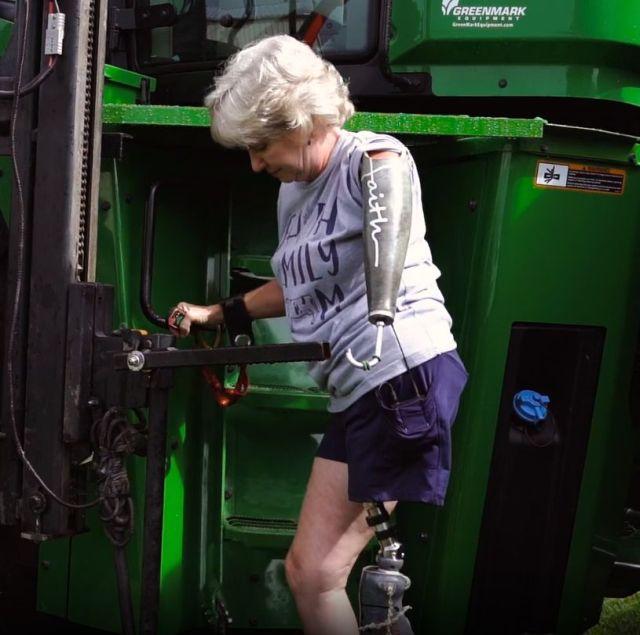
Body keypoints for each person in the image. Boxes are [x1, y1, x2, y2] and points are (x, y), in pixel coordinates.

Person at [168, 34, 468, 635]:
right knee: (311, 574)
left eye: (260, 144)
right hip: (360, 392)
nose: (254, 163)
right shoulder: (291, 191)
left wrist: (381, 311)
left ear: (303, 120)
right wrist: (220, 312)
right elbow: (299, 281)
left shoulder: (376, 159)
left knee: (318, 575)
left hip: (399, 379)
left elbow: (389, 202)